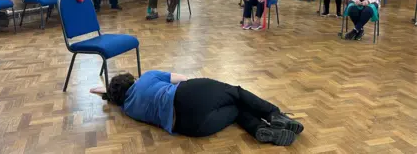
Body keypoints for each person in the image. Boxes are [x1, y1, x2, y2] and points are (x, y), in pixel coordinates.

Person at [90, 70, 304, 146]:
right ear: (132, 80)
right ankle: (275, 114)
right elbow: (182, 78)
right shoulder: (146, 77)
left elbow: (105, 93)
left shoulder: (127, 108)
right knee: (236, 93)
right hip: (185, 95)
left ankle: (258, 130)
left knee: (237, 110)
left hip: (190, 127)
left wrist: (108, 92)